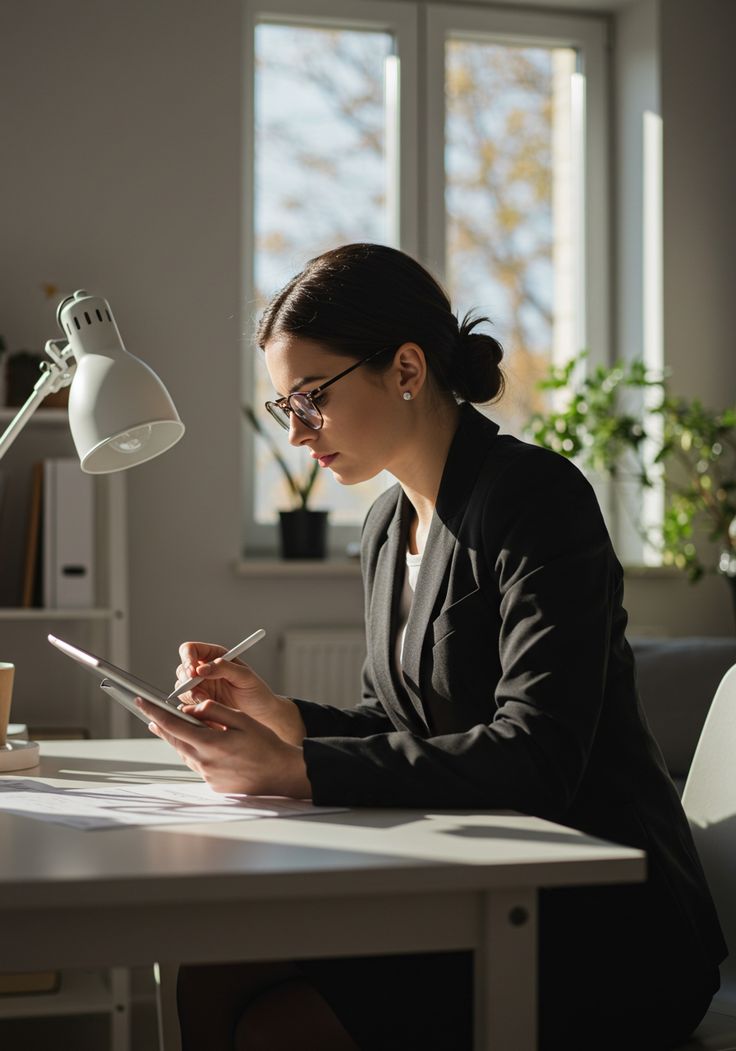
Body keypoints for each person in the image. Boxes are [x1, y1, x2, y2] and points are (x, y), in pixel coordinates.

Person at [137, 243, 726, 1051]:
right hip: (476, 880)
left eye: (310, 398)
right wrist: (284, 719)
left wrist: (299, 770)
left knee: (280, 1026)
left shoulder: (537, 499)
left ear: (406, 367)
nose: (300, 432)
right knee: (213, 970)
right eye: (285, 409)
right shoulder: (386, 525)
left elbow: (538, 752)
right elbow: (398, 716)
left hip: (603, 924)